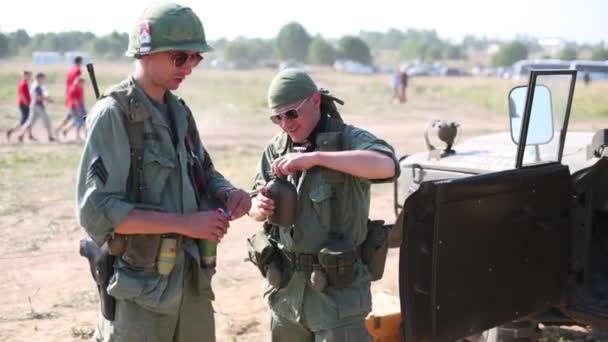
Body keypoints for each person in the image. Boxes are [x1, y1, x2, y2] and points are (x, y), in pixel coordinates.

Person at [75, 3, 251, 341]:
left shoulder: (178, 112)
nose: (188, 68)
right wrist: (187, 224)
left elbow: (204, 171)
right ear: (145, 53)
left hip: (191, 287)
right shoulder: (114, 115)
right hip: (142, 295)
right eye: (179, 57)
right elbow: (98, 211)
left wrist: (228, 193)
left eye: (195, 58)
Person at [249, 69, 400, 342]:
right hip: (286, 295)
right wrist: (259, 207)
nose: (286, 124)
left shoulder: (347, 139)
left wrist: (317, 159)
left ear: (315, 101)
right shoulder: (276, 148)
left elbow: (386, 165)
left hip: (336, 299)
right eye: (277, 117)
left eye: (292, 113)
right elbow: (252, 202)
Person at [10, 72, 55, 142]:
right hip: (37, 106)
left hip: (35, 106)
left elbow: (41, 95)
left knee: (30, 122)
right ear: (39, 78)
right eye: (43, 78)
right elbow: (37, 97)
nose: (43, 80)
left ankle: (20, 136)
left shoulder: (37, 85)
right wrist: (47, 99)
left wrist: (47, 98)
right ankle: (50, 137)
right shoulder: (36, 86)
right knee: (47, 120)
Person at [6, 70, 34, 142]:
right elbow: (22, 95)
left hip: (25, 104)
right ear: (25, 75)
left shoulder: (26, 83)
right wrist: (27, 103)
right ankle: (11, 131)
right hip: (24, 104)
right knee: (24, 121)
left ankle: (29, 135)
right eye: (29, 75)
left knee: (27, 120)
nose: (30, 77)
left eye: (30, 75)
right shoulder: (23, 84)